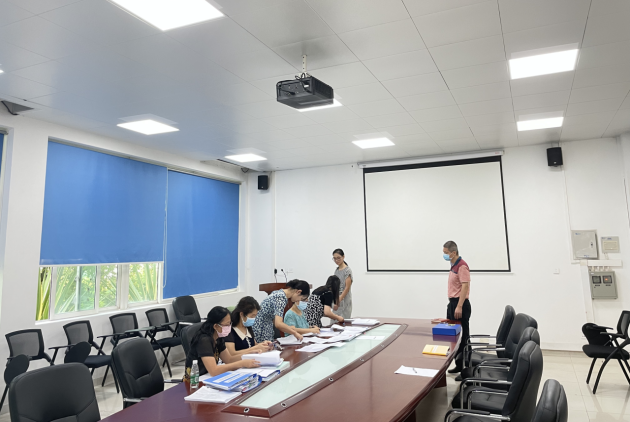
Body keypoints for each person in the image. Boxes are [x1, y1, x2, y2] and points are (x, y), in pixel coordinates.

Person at [185, 306, 260, 379]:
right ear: (216, 326)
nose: (229, 327)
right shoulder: (204, 340)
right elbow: (214, 371)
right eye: (226, 325)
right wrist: (242, 363)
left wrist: (249, 354)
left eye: (230, 324)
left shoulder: (218, 337)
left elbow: (229, 359)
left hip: (207, 377)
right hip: (194, 381)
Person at [443, 240, 472, 374]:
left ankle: (466, 369)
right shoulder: (453, 265)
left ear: (453, 253)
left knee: (463, 337)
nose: (444, 255)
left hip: (460, 304)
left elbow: (465, 286)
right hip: (453, 303)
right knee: (454, 337)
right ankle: (459, 365)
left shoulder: (462, 266)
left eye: (446, 253)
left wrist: (459, 306)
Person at [332, 248, 353, 319]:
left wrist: (338, 300)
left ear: (343, 257)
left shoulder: (347, 270)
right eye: (334, 258)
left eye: (338, 258)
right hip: (337, 299)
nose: (336, 260)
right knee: (334, 320)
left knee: (343, 320)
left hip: (344, 300)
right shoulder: (337, 270)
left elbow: (347, 288)